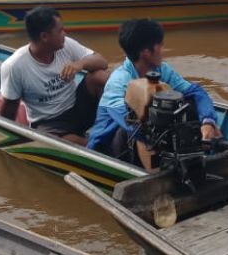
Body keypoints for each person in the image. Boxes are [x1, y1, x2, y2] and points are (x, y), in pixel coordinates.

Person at [87, 18, 220, 162]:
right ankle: (160, 174)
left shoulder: (162, 70)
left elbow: (196, 92)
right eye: (160, 46)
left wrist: (208, 122)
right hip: (110, 148)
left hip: (152, 138)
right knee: (137, 125)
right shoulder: (119, 80)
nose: (163, 50)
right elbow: (130, 123)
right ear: (146, 52)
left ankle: (200, 155)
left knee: (190, 104)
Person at [0, 7, 109, 145]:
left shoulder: (67, 45)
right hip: (49, 122)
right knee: (54, 140)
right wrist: (6, 138)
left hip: (77, 106)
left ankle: (120, 120)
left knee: (98, 76)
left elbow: (102, 62)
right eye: (60, 31)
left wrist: (80, 64)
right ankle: (97, 146)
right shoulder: (14, 66)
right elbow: (9, 110)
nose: (64, 34)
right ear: (44, 37)